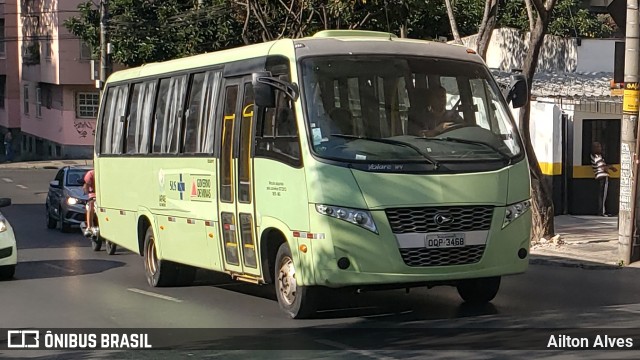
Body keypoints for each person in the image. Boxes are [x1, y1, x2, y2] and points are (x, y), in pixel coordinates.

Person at [590, 142, 617, 217]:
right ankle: (602, 211)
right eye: (598, 147)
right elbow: (603, 167)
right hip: (602, 177)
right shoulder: (597, 156)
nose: (600, 148)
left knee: (602, 194)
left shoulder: (595, 156)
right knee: (603, 195)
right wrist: (611, 167)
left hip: (600, 177)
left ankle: (602, 210)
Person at [83, 169, 96, 236]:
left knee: (91, 204)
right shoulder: (91, 173)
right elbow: (87, 185)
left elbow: (86, 186)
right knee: (91, 204)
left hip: (101, 196)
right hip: (94, 196)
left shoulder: (91, 173)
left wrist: (86, 191)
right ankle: (89, 227)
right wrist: (87, 190)